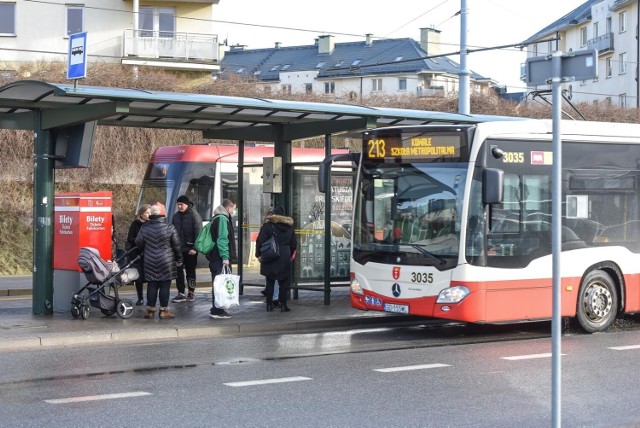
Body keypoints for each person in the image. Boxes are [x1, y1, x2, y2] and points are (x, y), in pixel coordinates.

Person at [135, 202, 183, 320]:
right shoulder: (170, 228)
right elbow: (177, 246)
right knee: (164, 285)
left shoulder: (144, 227)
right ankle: (163, 310)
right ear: (163, 214)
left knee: (152, 285)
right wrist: (179, 259)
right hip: (166, 261)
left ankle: (150, 311)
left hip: (150, 260)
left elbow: (138, 243)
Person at [255, 206, 297, 312]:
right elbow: (293, 244)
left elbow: (260, 241)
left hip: (270, 255)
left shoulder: (268, 226)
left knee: (270, 282)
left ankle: (269, 305)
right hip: (284, 255)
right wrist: (290, 255)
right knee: (283, 282)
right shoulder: (290, 227)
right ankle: (283, 305)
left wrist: (258, 255)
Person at [208, 199, 237, 319]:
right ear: (229, 208)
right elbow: (222, 239)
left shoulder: (216, 218)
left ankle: (218, 308)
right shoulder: (222, 219)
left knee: (218, 283)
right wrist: (225, 257)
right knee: (220, 283)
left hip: (214, 257)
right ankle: (217, 310)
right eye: (233, 208)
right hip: (219, 258)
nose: (233, 211)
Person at [171, 195, 202, 303]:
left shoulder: (194, 215)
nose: (179, 206)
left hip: (190, 250)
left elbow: (199, 233)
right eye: (178, 204)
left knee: (190, 272)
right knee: (178, 272)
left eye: (181, 204)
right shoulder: (175, 216)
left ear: (187, 204)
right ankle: (180, 292)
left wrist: (195, 248)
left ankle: (191, 292)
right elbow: (172, 233)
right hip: (178, 250)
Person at [126, 204, 151, 306]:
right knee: (139, 277)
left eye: (150, 212)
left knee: (150, 277)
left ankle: (150, 298)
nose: (148, 215)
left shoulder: (151, 224)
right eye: (146, 213)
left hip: (148, 254)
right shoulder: (135, 224)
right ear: (141, 214)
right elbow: (129, 238)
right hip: (136, 254)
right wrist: (138, 241)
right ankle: (140, 297)